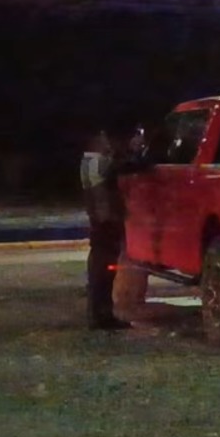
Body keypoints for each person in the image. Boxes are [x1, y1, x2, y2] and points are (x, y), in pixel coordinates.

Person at [81, 128, 147, 330]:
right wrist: (137, 153)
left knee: (101, 270)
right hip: (105, 222)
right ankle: (101, 315)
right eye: (103, 138)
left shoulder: (90, 161)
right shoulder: (96, 161)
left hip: (101, 221)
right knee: (104, 271)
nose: (107, 142)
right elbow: (121, 170)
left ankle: (100, 313)